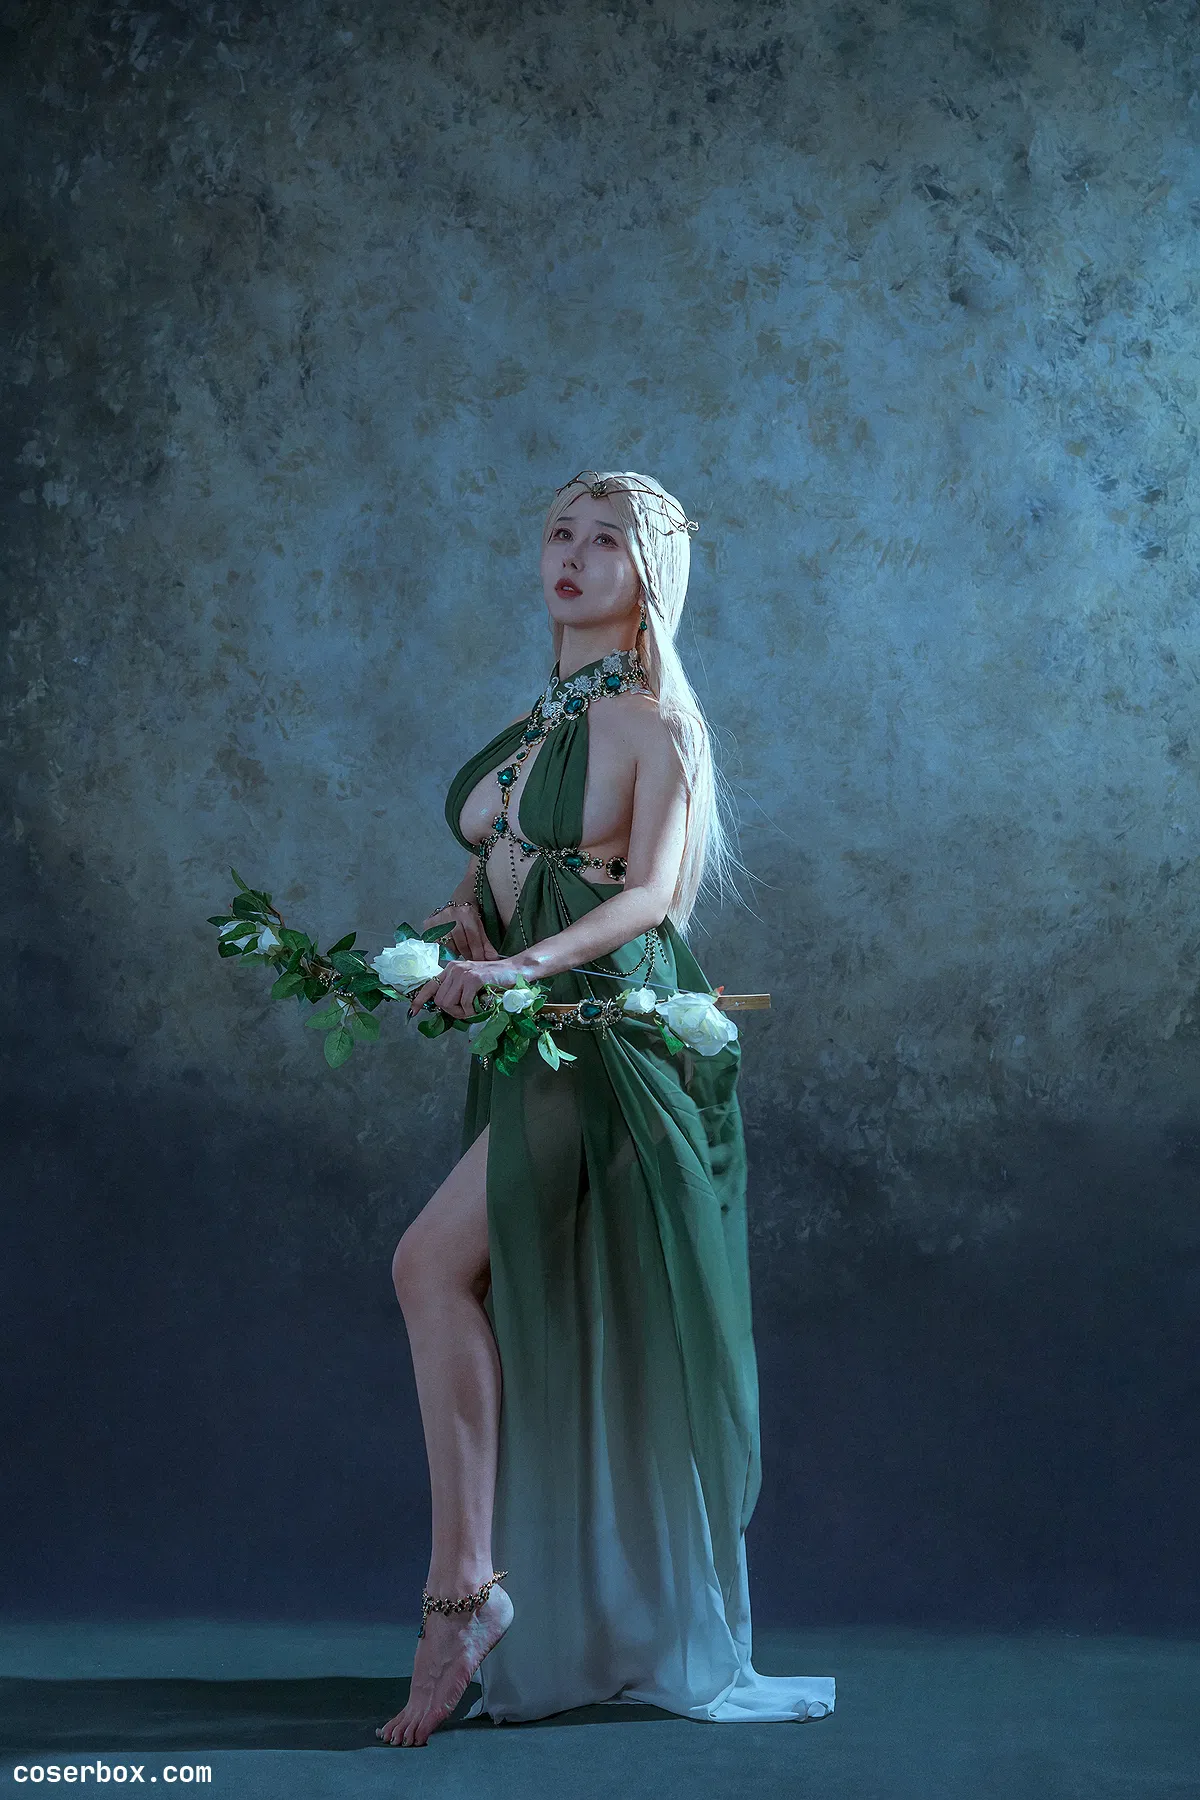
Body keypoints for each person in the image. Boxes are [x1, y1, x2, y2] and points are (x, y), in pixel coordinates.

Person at [376, 470, 835, 1748]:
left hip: (607, 1037)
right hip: (533, 1035)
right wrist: (462, 930)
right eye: (559, 533)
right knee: (479, 1284)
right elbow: (509, 867)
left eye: (607, 541)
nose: (573, 556)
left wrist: (520, 966)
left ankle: (463, 1597)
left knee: (430, 1266)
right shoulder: (537, 724)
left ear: (651, 577)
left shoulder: (653, 724)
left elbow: (651, 897)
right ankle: (504, 1598)